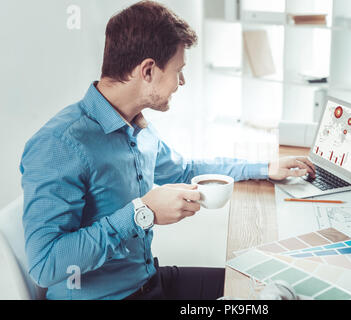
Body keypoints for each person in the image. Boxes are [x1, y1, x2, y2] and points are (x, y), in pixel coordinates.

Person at [20, 0, 315, 300]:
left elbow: (186, 170)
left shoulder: (138, 128)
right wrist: (140, 213)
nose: (182, 81)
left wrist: (265, 168)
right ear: (148, 70)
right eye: (179, 70)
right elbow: (44, 265)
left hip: (150, 282)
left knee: (261, 285)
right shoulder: (60, 145)